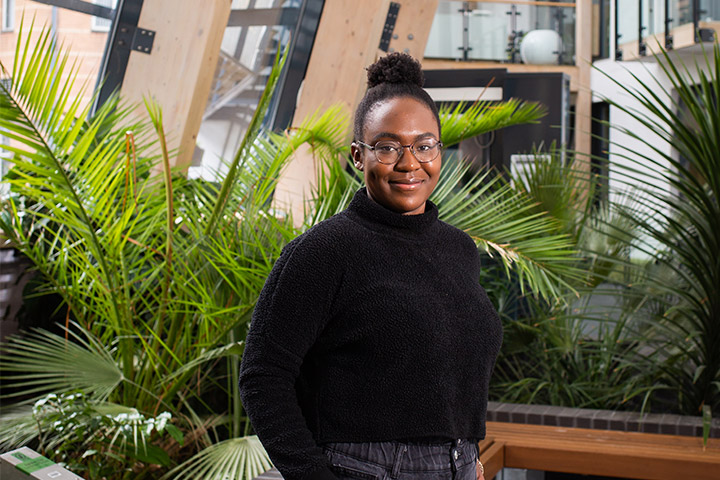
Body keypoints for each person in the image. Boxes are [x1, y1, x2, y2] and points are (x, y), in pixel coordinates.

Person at [239, 53, 502, 480]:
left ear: (439, 149)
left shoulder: (459, 249)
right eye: (387, 147)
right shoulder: (323, 251)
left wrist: (466, 457)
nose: (408, 163)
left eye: (423, 145)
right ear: (359, 156)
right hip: (363, 469)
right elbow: (262, 376)